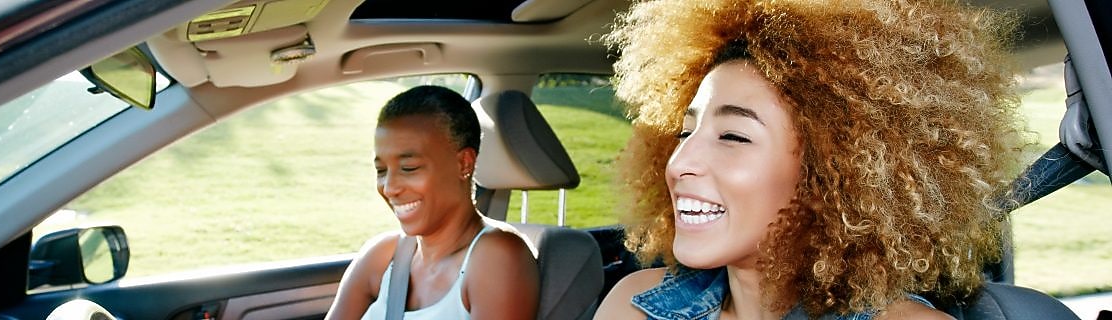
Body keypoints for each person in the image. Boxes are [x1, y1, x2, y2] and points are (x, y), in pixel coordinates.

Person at [595, 0, 1026, 319]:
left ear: (833, 171)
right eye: (686, 132)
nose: (680, 162)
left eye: (732, 136)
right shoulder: (632, 305)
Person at [326, 85, 540, 320]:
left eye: (409, 168)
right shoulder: (381, 255)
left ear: (464, 163)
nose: (389, 188)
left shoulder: (498, 256)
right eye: (381, 170)